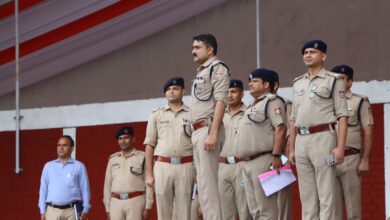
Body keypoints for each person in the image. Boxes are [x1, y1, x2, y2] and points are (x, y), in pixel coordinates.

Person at [289, 40, 349, 220]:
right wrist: (291, 147)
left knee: (326, 193)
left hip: (323, 137)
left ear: (323, 56)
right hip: (301, 140)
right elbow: (293, 118)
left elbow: (342, 115)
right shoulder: (297, 83)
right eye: (305, 52)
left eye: (313, 52)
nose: (308, 55)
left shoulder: (334, 80)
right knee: (306, 196)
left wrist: (340, 147)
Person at [236, 68, 287, 219]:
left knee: (266, 208)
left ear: (266, 85)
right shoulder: (251, 105)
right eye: (250, 81)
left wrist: (276, 155)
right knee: (255, 211)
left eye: (255, 81)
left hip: (263, 160)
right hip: (247, 163)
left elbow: (281, 128)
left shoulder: (272, 101)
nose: (251, 84)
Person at [190, 33, 230, 219]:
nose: (193, 51)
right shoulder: (202, 71)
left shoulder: (218, 68)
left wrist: (213, 133)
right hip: (198, 131)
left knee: (209, 186)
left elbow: (221, 101)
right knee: (203, 186)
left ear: (210, 49)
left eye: (197, 47)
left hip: (207, 129)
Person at [144, 77, 195, 220]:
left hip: (186, 165)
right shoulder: (156, 114)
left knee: (184, 211)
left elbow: (197, 144)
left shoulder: (192, 113)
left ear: (183, 91)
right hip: (162, 165)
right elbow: (149, 144)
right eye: (168, 90)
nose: (171, 92)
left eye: (175, 89)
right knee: (163, 211)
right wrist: (149, 174)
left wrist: (197, 171)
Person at [331, 65, 374, 220]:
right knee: (332, 210)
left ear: (350, 82)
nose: (338, 82)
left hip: (350, 158)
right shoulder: (326, 104)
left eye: (341, 79)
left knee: (353, 209)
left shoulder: (359, 101)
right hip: (329, 160)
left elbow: (368, 132)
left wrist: (365, 160)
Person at [103, 126, 154, 220]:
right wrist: (108, 208)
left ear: (133, 139)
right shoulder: (113, 159)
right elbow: (107, 185)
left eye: (126, 137)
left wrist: (148, 207)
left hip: (136, 201)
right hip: (116, 202)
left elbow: (149, 184)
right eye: (120, 138)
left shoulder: (143, 157)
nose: (123, 141)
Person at [217, 79, 251, 220]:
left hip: (241, 165)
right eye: (227, 92)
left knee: (245, 211)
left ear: (242, 94)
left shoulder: (249, 113)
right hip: (222, 166)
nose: (229, 95)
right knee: (226, 213)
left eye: (233, 91)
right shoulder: (218, 115)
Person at [38, 135, 91, 220]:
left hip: (72, 211)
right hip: (52, 211)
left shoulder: (79, 166)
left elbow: (85, 190)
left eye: (65, 145)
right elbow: (43, 190)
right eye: (59, 145)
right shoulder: (48, 166)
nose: (61, 148)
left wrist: (85, 209)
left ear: (72, 148)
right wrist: (42, 211)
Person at [271, 72, 293, 220]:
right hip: (262, 157)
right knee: (265, 204)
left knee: (282, 203)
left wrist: (286, 157)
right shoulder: (253, 106)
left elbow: (290, 132)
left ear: (275, 85)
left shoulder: (285, 104)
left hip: (281, 157)